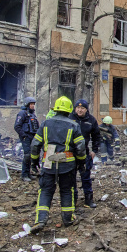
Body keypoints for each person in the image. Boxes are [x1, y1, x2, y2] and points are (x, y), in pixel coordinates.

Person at [30, 96, 86, 234]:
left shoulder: (45, 124)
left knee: (45, 190)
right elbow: (80, 147)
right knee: (67, 190)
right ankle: (67, 219)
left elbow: (35, 144)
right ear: (69, 111)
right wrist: (81, 162)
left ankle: (41, 220)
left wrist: (34, 162)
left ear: (55, 109)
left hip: (48, 162)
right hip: (67, 164)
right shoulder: (74, 125)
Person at [69, 99, 100, 208]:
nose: (80, 110)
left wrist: (94, 150)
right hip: (71, 153)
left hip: (85, 153)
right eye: (78, 108)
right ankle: (73, 199)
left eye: (82, 108)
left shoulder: (91, 120)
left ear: (86, 109)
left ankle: (88, 199)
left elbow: (96, 136)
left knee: (86, 176)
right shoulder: (69, 118)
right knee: (71, 177)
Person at [14, 97, 40, 181]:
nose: (33, 106)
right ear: (27, 104)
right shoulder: (22, 113)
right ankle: (24, 175)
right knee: (27, 155)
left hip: (32, 137)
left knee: (31, 156)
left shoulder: (32, 114)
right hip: (26, 137)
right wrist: (24, 135)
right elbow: (17, 126)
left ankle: (28, 174)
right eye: (31, 104)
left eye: (33, 104)